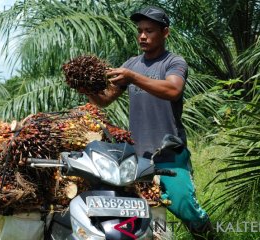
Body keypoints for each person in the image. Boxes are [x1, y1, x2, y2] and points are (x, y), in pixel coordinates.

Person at [82, 5, 215, 240]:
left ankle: (209, 236)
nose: (142, 36)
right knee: (150, 209)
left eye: (149, 31)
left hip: (169, 152)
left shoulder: (174, 62)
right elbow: (105, 99)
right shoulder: (132, 63)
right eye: (140, 30)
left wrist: (133, 77)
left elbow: (173, 89)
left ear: (165, 33)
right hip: (138, 156)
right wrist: (86, 87)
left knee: (184, 205)